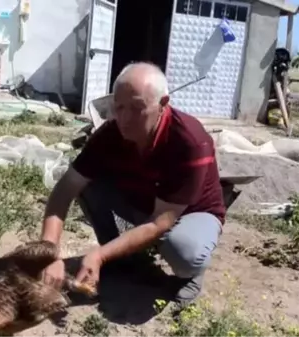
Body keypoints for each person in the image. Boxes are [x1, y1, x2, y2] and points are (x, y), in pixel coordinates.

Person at [39, 62, 225, 306]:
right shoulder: (110, 133)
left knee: (185, 252)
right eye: (119, 107)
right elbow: (65, 189)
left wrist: (99, 255)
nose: (125, 118)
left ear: (163, 104)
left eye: (138, 108)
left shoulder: (189, 141)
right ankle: (120, 259)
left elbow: (159, 222)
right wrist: (48, 253)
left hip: (190, 212)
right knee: (88, 183)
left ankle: (191, 277)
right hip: (147, 203)